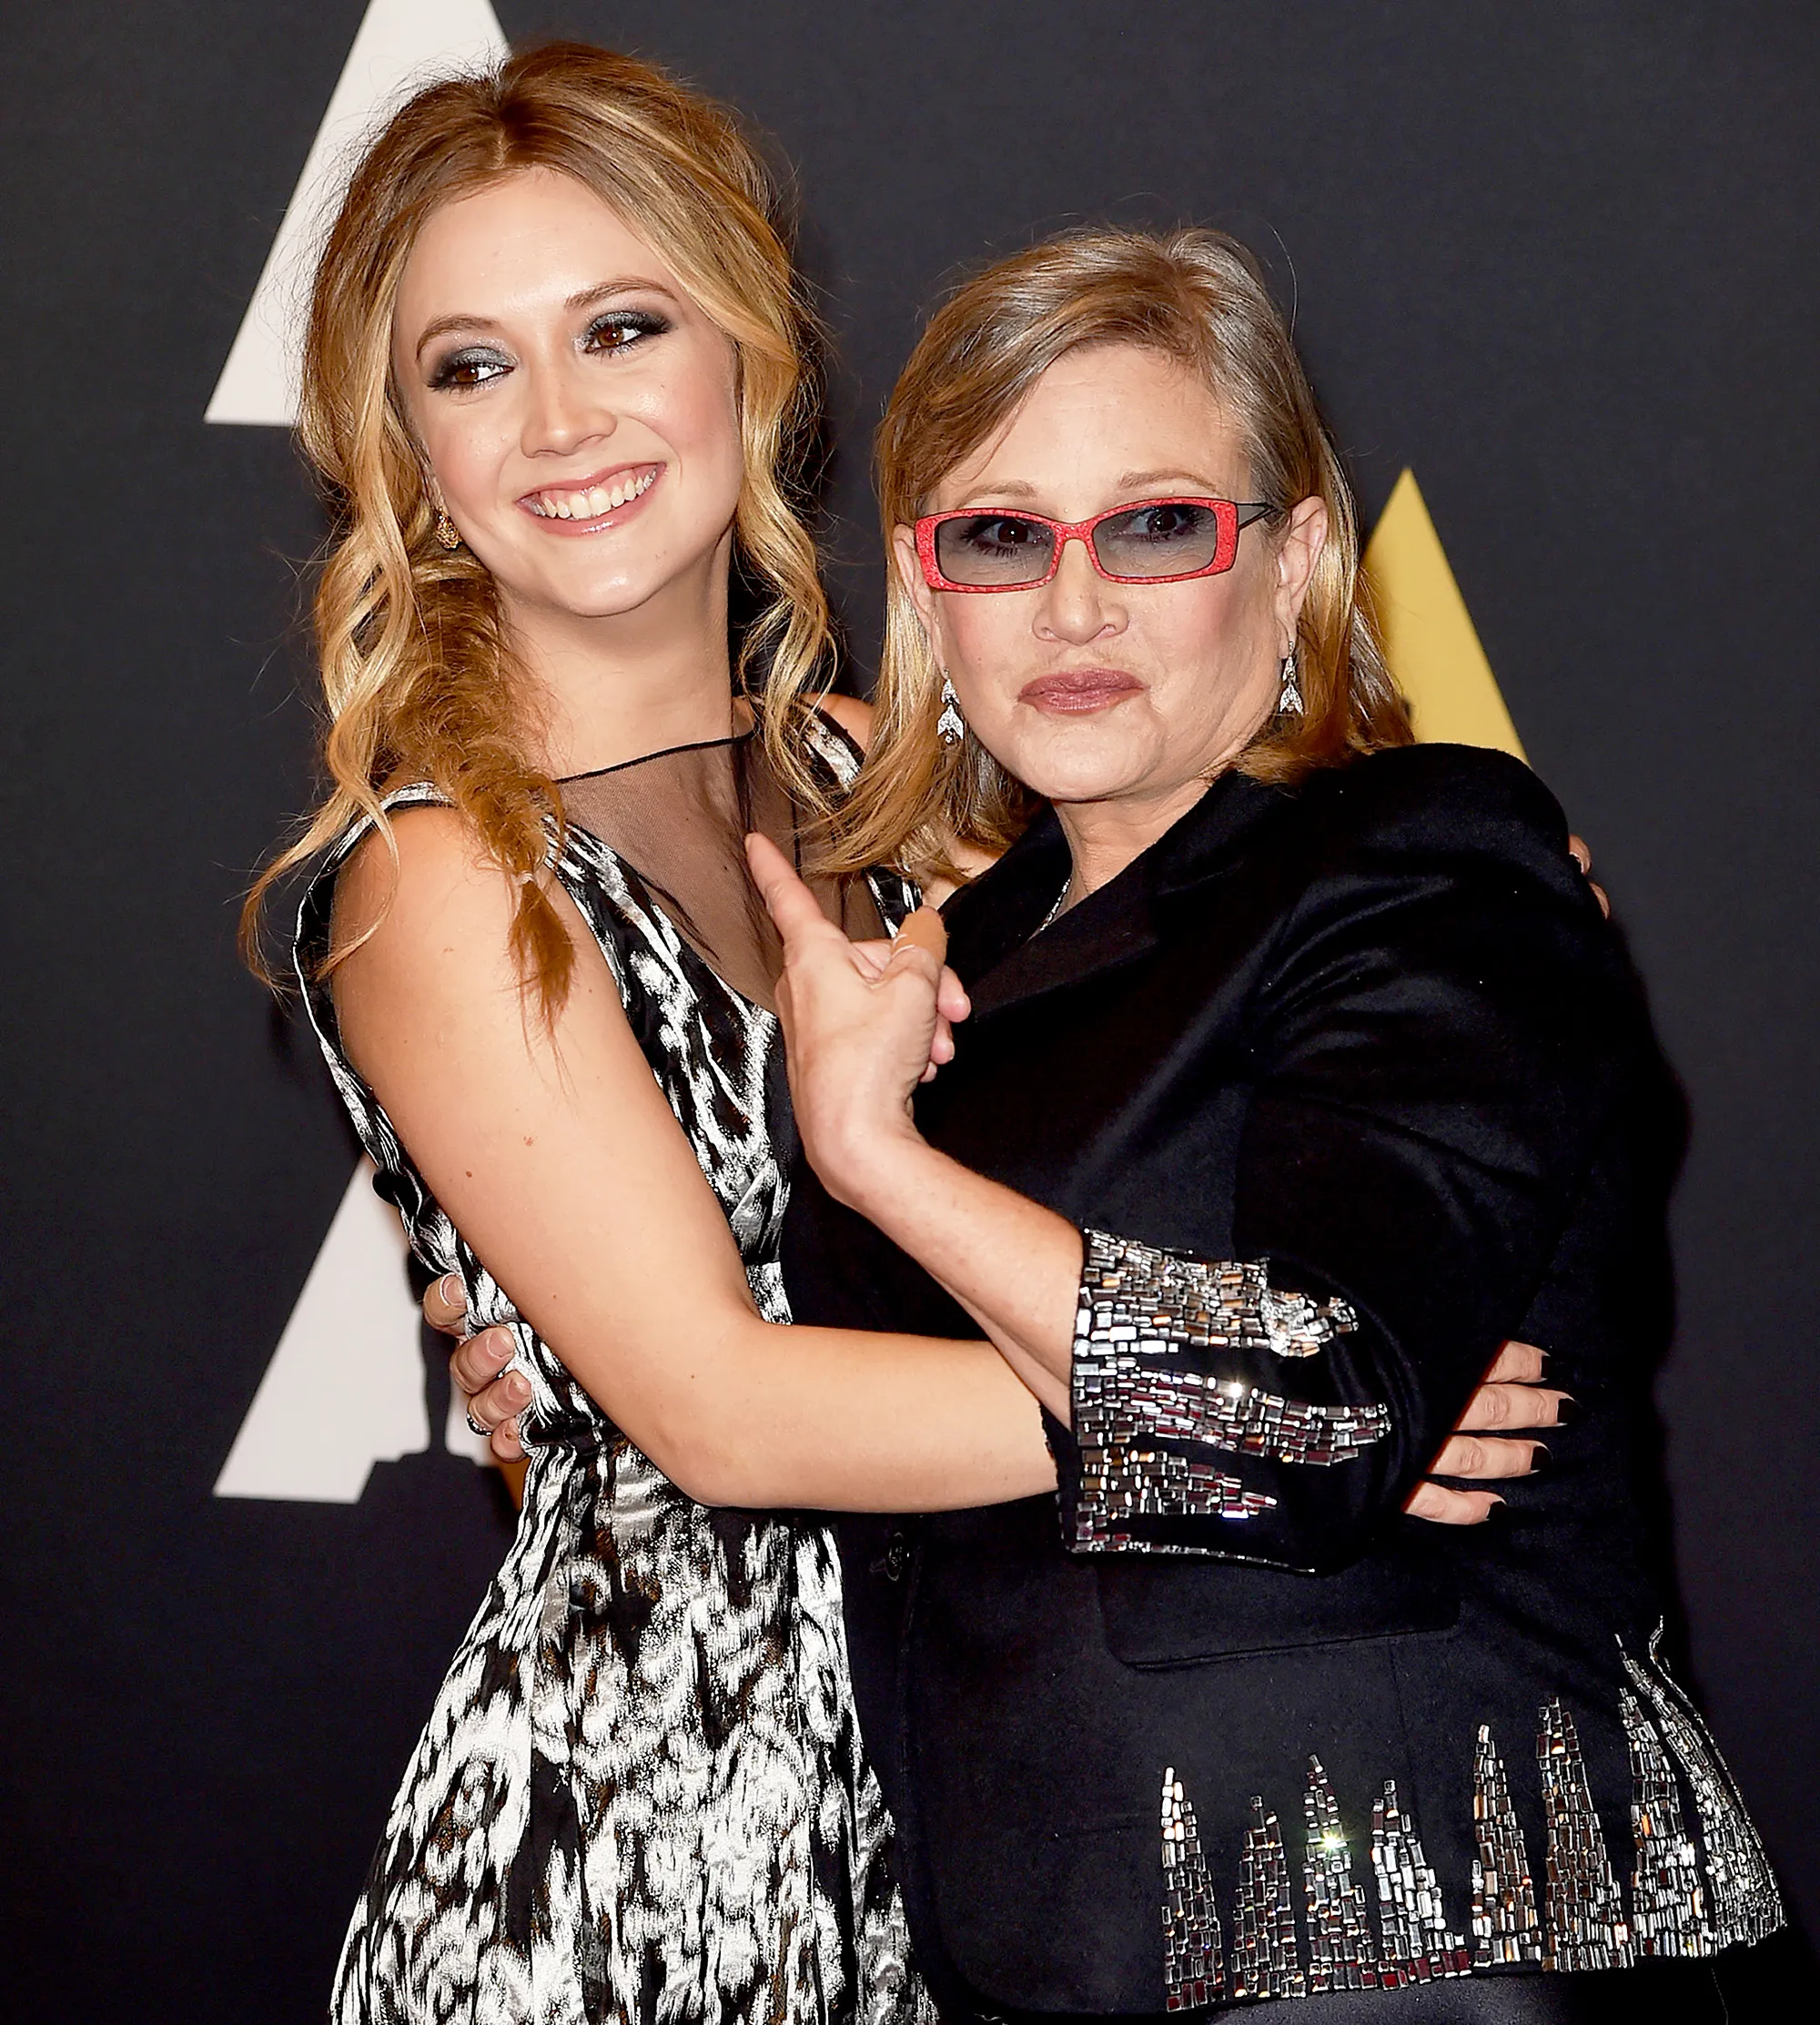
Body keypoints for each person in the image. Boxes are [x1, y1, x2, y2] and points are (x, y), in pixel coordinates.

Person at [255, 40, 1559, 2025]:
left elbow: (1285, 999)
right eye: (469, 364)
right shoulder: (446, 876)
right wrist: (1273, 1421)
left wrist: (1315, 1378)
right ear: (401, 443)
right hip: (642, 1863)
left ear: (752, 354)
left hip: (967, 1816)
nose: (561, 418)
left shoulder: (892, 792)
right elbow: (721, 1410)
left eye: (621, 324)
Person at [733, 228, 1785, 2020]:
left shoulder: (1426, 869)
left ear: (1292, 559)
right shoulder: (926, 978)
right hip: (1030, 1942)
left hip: (1411, 1949)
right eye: (1002, 535)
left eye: (1154, 525)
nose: (1073, 607)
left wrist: (881, 1168)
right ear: (927, 585)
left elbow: (1308, 1421)